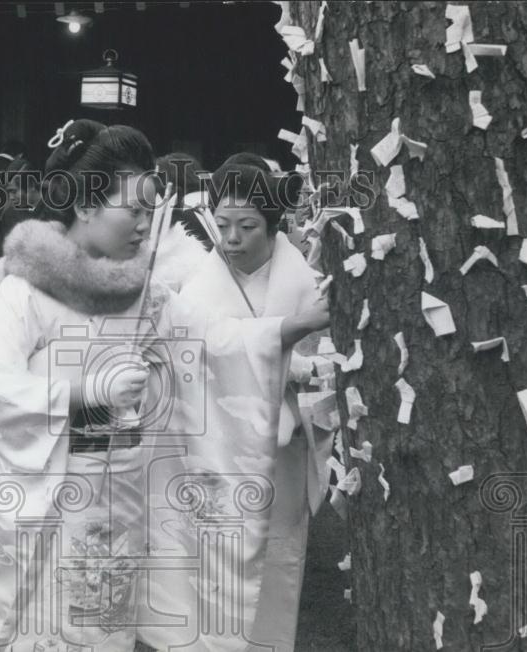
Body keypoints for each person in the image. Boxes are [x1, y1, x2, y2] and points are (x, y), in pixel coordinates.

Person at [0, 119, 328, 652]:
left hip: (121, 492)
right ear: (87, 205)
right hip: (49, 496)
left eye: (150, 212)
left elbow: (210, 340)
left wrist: (290, 328)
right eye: (133, 210)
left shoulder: (144, 294)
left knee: (107, 621)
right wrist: (81, 394)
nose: (143, 225)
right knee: (41, 622)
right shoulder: (26, 290)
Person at [161, 158, 334, 651]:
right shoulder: (202, 285)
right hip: (221, 448)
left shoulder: (304, 281)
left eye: (247, 226)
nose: (231, 238)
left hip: (283, 448)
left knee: (278, 558)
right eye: (224, 225)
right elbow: (189, 358)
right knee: (218, 559)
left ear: (274, 225)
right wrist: (275, 346)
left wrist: (301, 373)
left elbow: (327, 363)